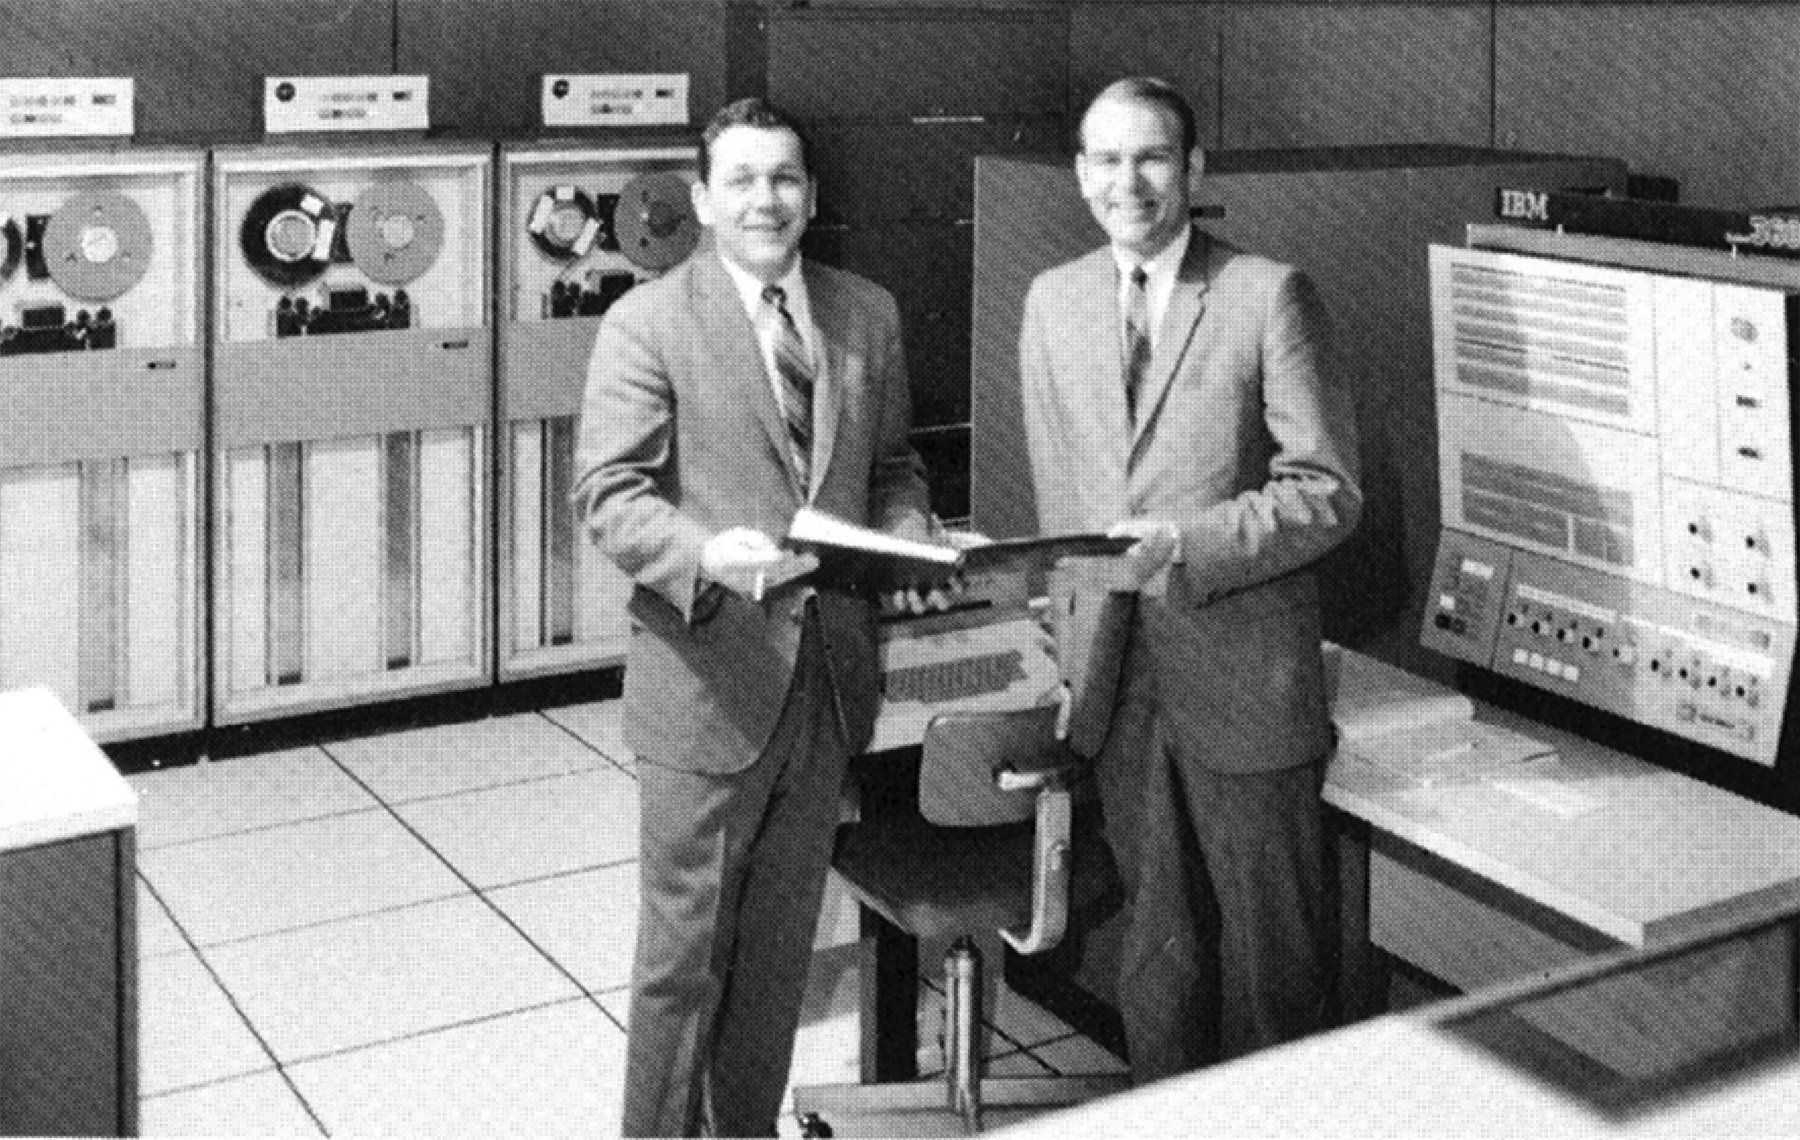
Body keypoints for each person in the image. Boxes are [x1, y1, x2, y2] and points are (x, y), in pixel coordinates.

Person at [573, 97, 934, 1137]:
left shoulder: (866, 312)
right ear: (700, 200)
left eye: (783, 178)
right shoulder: (648, 321)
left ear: (811, 196)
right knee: (682, 966)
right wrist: (703, 557)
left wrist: (908, 534)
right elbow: (609, 493)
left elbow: (896, 467)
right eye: (741, 179)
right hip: (708, 677)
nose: (765, 199)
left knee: (778, 957)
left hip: (824, 681)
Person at [1017, 77, 1363, 1082]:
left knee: (1275, 972)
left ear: (1195, 169)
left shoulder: (1267, 294)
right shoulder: (1054, 302)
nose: (1131, 182)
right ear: (1082, 175)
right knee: (1158, 960)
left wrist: (1190, 544)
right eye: (1109, 161)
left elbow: (1329, 491)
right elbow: (1061, 499)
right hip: (1116, 689)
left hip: (1245, 683)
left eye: (1154, 157)